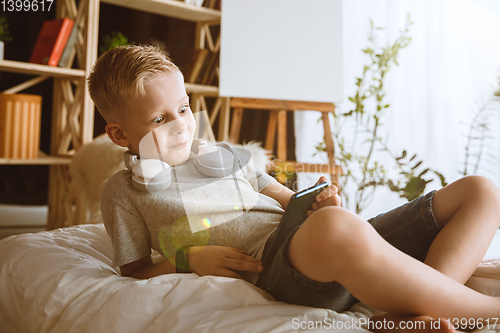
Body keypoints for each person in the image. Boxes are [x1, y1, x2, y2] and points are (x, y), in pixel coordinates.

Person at [87, 45, 500, 331]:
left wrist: (320, 204)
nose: (181, 124)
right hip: (277, 265)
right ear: (121, 134)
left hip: (319, 240)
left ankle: (417, 314)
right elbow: (134, 271)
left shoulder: (223, 155)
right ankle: (487, 312)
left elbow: (290, 202)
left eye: (182, 108)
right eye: (159, 120)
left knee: (480, 191)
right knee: (336, 228)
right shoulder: (125, 193)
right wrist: (187, 259)